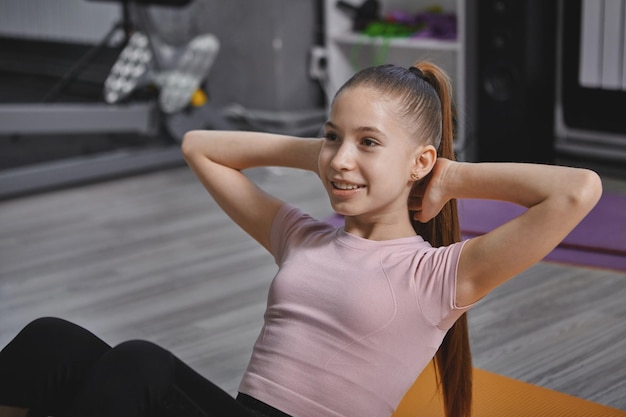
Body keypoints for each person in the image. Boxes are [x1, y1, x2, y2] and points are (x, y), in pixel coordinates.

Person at [0, 61, 602, 417]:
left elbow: (578, 190)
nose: (343, 159)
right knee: (52, 339)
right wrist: (325, 155)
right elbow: (200, 148)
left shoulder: (441, 277)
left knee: (139, 364)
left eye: (369, 142)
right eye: (332, 136)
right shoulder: (301, 237)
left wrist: (450, 174)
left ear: (419, 160)